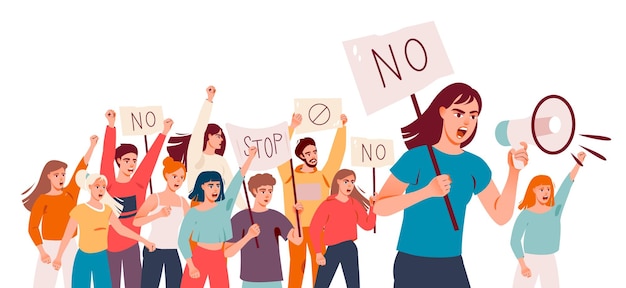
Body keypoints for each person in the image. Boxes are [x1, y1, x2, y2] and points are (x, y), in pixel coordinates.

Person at [373, 82, 529, 287]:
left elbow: (501, 215)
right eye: (458, 113)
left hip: (452, 262)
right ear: (442, 112)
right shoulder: (416, 157)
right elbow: (380, 206)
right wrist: (426, 192)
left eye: (473, 115)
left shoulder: (475, 165)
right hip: (413, 262)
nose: (466, 121)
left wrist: (514, 172)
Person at [100, 109, 173, 288]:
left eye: (134, 160)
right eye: (127, 160)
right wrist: (111, 126)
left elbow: (151, 159)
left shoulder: (139, 185)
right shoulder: (108, 185)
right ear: (118, 161)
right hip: (110, 247)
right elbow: (105, 158)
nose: (132, 164)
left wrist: (163, 132)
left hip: (133, 246)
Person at [277, 112, 348, 288]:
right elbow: (280, 155)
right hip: (297, 229)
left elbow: (336, 156)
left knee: (320, 266)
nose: (313, 155)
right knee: (297, 266)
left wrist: (342, 128)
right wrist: (292, 127)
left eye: (314, 151)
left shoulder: (323, 176)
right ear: (301, 156)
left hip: (319, 229)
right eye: (308, 153)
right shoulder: (289, 176)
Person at [52, 170, 156, 288]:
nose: (101, 190)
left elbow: (121, 229)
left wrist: (145, 241)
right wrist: (58, 257)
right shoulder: (80, 210)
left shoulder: (107, 210)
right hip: (83, 257)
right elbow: (67, 234)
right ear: (90, 187)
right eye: (97, 186)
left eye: (103, 187)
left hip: (101, 258)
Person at [22, 134, 99, 288]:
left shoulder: (70, 193)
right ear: (48, 176)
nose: (61, 178)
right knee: (43, 284)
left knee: (74, 283)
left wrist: (92, 146)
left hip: (70, 245)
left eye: (63, 174)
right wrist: (42, 251)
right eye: (56, 175)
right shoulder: (42, 199)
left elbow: (81, 168)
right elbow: (32, 227)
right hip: (50, 246)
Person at [178, 146, 258, 288]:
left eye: (218, 185)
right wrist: (191, 265)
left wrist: (250, 158)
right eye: (211, 185)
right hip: (199, 256)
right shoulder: (194, 212)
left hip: (219, 257)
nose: (215, 189)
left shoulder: (224, 207)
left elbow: (236, 182)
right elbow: (182, 239)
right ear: (202, 186)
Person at [510, 151, 586, 287]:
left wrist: (578, 163)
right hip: (529, 259)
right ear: (533, 190)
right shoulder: (526, 214)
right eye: (541, 189)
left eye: (548, 189)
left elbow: (566, 185)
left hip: (549, 259)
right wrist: (523, 265)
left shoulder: (555, 210)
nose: (546, 192)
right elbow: (514, 240)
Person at [225, 173, 304, 288]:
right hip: (250, 280)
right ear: (254, 191)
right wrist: (248, 236)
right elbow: (227, 252)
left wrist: (298, 217)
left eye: (270, 191)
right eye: (263, 191)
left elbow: (297, 240)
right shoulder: (240, 217)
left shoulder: (276, 217)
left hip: (273, 279)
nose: (267, 195)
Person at [310, 169, 376, 288]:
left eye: (352, 181)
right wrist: (318, 252)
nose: (350, 185)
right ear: (338, 182)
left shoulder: (354, 203)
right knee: (321, 284)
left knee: (353, 285)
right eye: (346, 181)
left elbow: (367, 225)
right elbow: (315, 228)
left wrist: (372, 208)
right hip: (332, 249)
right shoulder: (327, 204)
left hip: (349, 248)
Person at [133, 156, 190, 288]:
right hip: (153, 248)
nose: (178, 180)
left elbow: (192, 226)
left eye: (182, 178)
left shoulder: (183, 202)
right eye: (175, 176)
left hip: (172, 250)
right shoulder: (155, 198)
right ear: (166, 175)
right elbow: (136, 222)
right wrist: (158, 214)